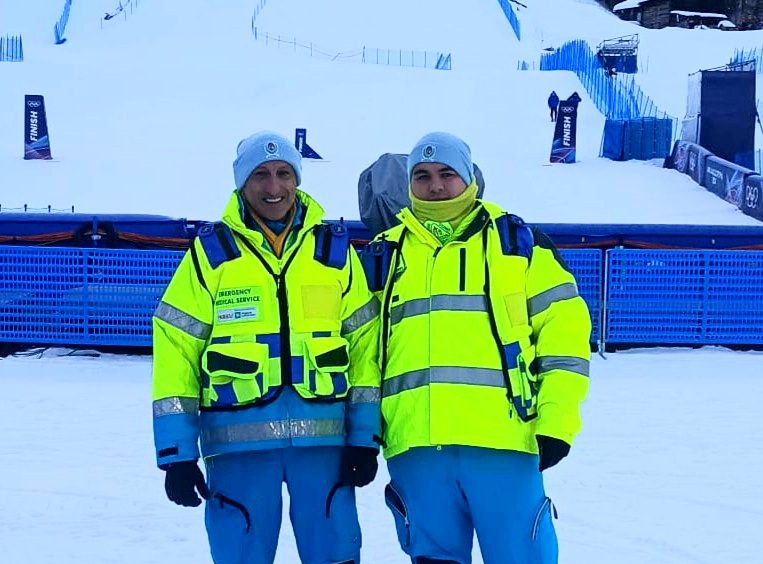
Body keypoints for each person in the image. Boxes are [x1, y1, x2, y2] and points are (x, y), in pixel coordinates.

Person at [152, 130, 381, 564]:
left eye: (283, 173)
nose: (273, 187)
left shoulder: (333, 251)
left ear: (297, 180)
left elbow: (365, 346)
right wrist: (176, 453)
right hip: (237, 447)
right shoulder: (211, 254)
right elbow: (175, 348)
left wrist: (365, 436)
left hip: (325, 446)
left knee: (336, 552)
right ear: (242, 182)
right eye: (260, 174)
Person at [364, 132, 591, 564]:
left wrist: (558, 422)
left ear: (469, 177)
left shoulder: (518, 245)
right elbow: (364, 355)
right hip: (416, 447)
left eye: (447, 173)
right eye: (422, 176)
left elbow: (564, 339)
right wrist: (362, 433)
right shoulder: (382, 255)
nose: (435, 186)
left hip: (504, 444)